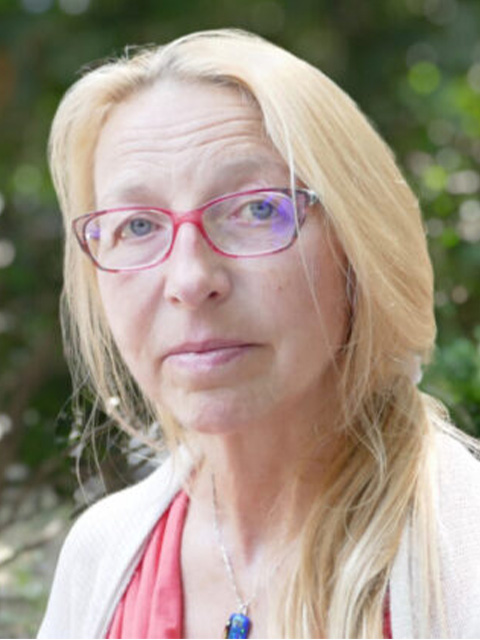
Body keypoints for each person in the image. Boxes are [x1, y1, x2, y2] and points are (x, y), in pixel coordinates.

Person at [38, 29, 480, 639]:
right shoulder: (101, 559)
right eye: (137, 225)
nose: (189, 280)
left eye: (257, 209)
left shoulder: (463, 554)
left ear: (361, 249)